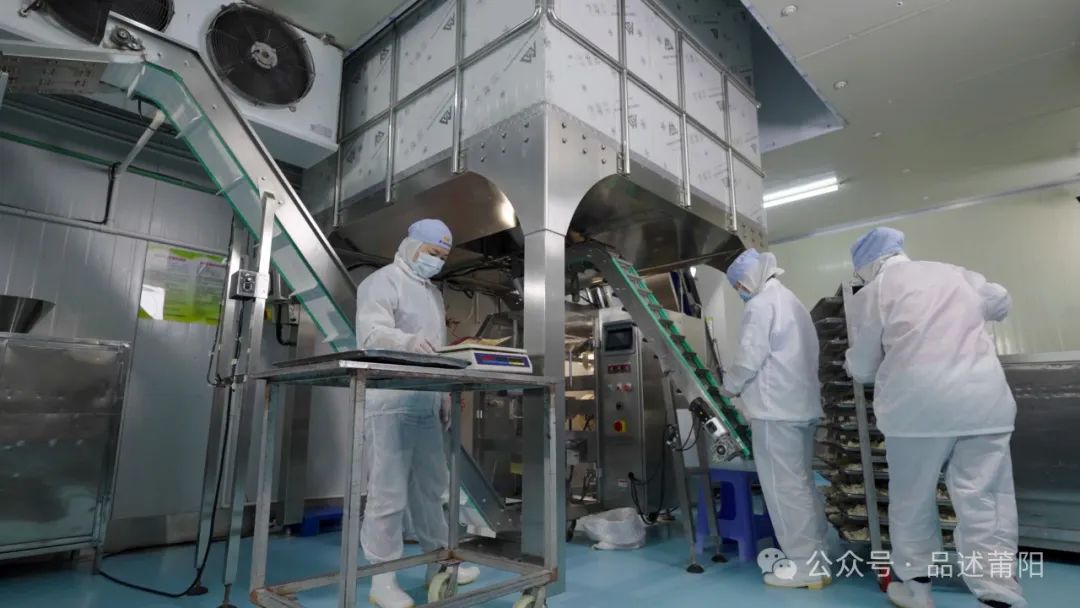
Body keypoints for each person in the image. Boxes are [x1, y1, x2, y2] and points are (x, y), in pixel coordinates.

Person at [845, 227, 1025, 608]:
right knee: (985, 499)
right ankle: (999, 593)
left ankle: (918, 590)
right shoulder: (956, 274)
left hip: (917, 411)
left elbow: (863, 366)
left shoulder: (875, 291)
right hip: (983, 403)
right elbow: (1001, 301)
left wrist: (853, 362)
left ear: (868, 266)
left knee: (912, 499)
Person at [355, 219, 478, 608]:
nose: (437, 261)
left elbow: (436, 351)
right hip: (391, 402)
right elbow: (370, 335)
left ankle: (438, 563)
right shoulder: (381, 282)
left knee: (431, 489)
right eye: (432, 253)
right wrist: (406, 341)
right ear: (411, 246)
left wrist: (443, 394)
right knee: (388, 493)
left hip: (425, 402)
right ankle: (382, 580)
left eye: (443, 256)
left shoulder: (433, 295)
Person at [721, 249, 830, 589]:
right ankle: (821, 556)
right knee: (802, 485)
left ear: (749, 279)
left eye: (739, 286)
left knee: (784, 491)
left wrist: (728, 387)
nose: (740, 292)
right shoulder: (790, 300)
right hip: (801, 408)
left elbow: (748, 359)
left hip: (775, 411)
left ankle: (804, 566)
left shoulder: (760, 305)